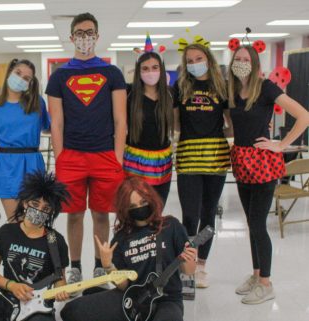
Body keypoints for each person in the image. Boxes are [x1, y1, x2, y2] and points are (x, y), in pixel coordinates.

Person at [46, 12, 127, 285]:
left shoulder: (111, 73)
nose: (85, 38)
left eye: (89, 32)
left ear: (97, 36)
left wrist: (117, 157)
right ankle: (76, 265)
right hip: (71, 155)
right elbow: (56, 122)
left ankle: (100, 265)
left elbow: (120, 119)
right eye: (79, 33)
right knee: (74, 214)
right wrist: (60, 158)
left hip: (105, 154)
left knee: (102, 213)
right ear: (71, 38)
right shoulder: (59, 76)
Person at [228, 45, 309, 304]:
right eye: (237, 59)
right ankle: (256, 274)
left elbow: (304, 116)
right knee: (251, 223)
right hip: (241, 162)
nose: (241, 62)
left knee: (259, 224)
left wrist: (281, 144)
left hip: (262, 163)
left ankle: (266, 282)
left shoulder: (266, 88)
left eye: (245, 59)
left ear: (254, 63)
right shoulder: (234, 91)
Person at [60, 176, 197, 321]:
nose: (140, 208)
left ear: (151, 198)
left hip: (167, 300)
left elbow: (189, 271)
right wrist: (108, 266)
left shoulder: (171, 225)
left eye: (143, 202)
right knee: (70, 311)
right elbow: (124, 285)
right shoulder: (121, 238)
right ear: (125, 210)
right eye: (133, 206)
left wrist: (189, 258)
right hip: (133, 298)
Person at [0, 171, 70, 321]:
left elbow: (60, 279)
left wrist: (61, 292)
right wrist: (12, 286)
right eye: (35, 204)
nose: (39, 211)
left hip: (36, 308)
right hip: (5, 300)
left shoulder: (56, 241)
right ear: (25, 203)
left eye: (46, 209)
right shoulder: (6, 232)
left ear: (51, 213)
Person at [173, 43, 232, 288]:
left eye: (199, 58)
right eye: (190, 60)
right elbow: (176, 124)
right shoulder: (179, 87)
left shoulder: (221, 87)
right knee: (190, 215)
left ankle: (201, 265)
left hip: (216, 156)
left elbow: (230, 122)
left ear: (208, 59)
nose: (194, 63)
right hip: (188, 155)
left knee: (208, 213)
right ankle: (188, 264)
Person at [0, 58, 50, 219]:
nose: (21, 79)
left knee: (36, 221)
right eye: (18, 73)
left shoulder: (37, 103)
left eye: (27, 78)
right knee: (15, 221)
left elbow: (49, 127)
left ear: (30, 83)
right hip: (7, 165)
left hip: (33, 164)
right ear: (10, 72)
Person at [125, 51, 173, 204]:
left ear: (162, 69)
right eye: (145, 69)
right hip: (134, 161)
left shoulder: (170, 95)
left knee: (158, 209)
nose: (150, 72)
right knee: (135, 210)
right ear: (138, 71)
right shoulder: (129, 95)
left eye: (154, 67)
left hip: (162, 162)